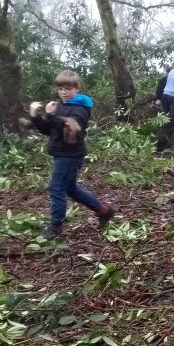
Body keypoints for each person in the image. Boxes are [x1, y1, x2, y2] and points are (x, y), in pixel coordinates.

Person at [29, 70, 115, 240]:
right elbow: (49, 129)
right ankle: (104, 211)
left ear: (77, 88)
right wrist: (35, 116)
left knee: (57, 188)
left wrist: (51, 115)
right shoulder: (59, 105)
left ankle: (56, 225)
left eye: (68, 88)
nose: (63, 92)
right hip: (60, 152)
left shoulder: (81, 108)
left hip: (70, 154)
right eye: (60, 88)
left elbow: (70, 127)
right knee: (70, 189)